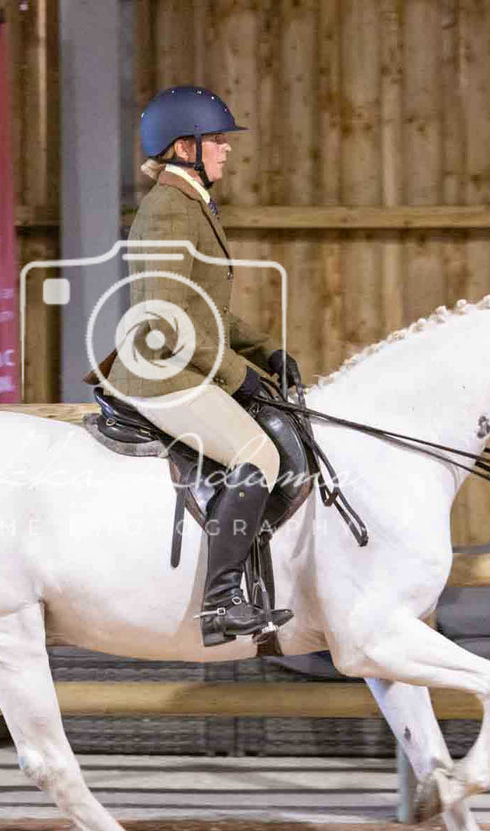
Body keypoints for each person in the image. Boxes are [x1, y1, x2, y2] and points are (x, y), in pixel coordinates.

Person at [87, 85, 300, 647]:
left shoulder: (191, 205)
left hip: (187, 362)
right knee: (258, 454)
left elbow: (206, 313)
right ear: (186, 147)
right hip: (161, 371)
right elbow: (163, 318)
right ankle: (221, 602)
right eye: (218, 142)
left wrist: (266, 351)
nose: (227, 151)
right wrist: (239, 375)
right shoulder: (166, 211)